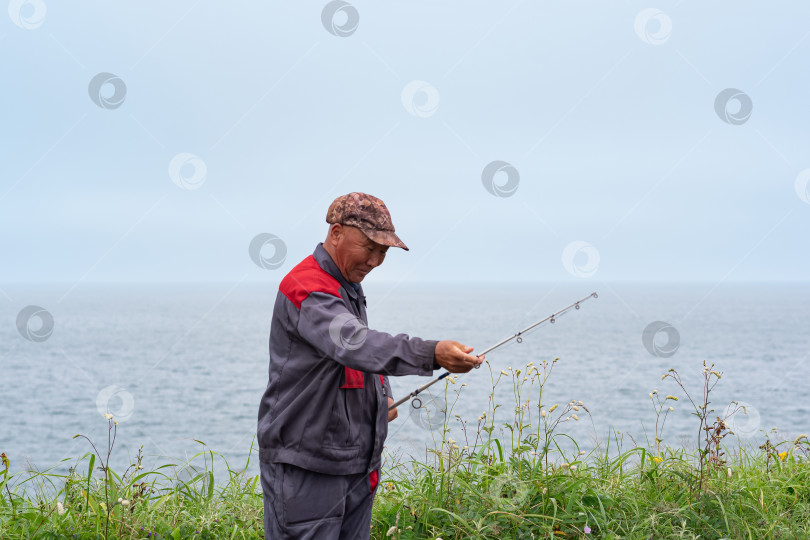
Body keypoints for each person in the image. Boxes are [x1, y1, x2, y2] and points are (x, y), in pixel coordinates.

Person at [257, 192, 483, 539]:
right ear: (336, 233)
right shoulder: (307, 288)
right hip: (307, 467)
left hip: (353, 464)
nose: (375, 261)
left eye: (384, 252)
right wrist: (432, 353)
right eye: (369, 247)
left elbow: (352, 355)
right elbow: (354, 344)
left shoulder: (346, 285)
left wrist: (382, 395)